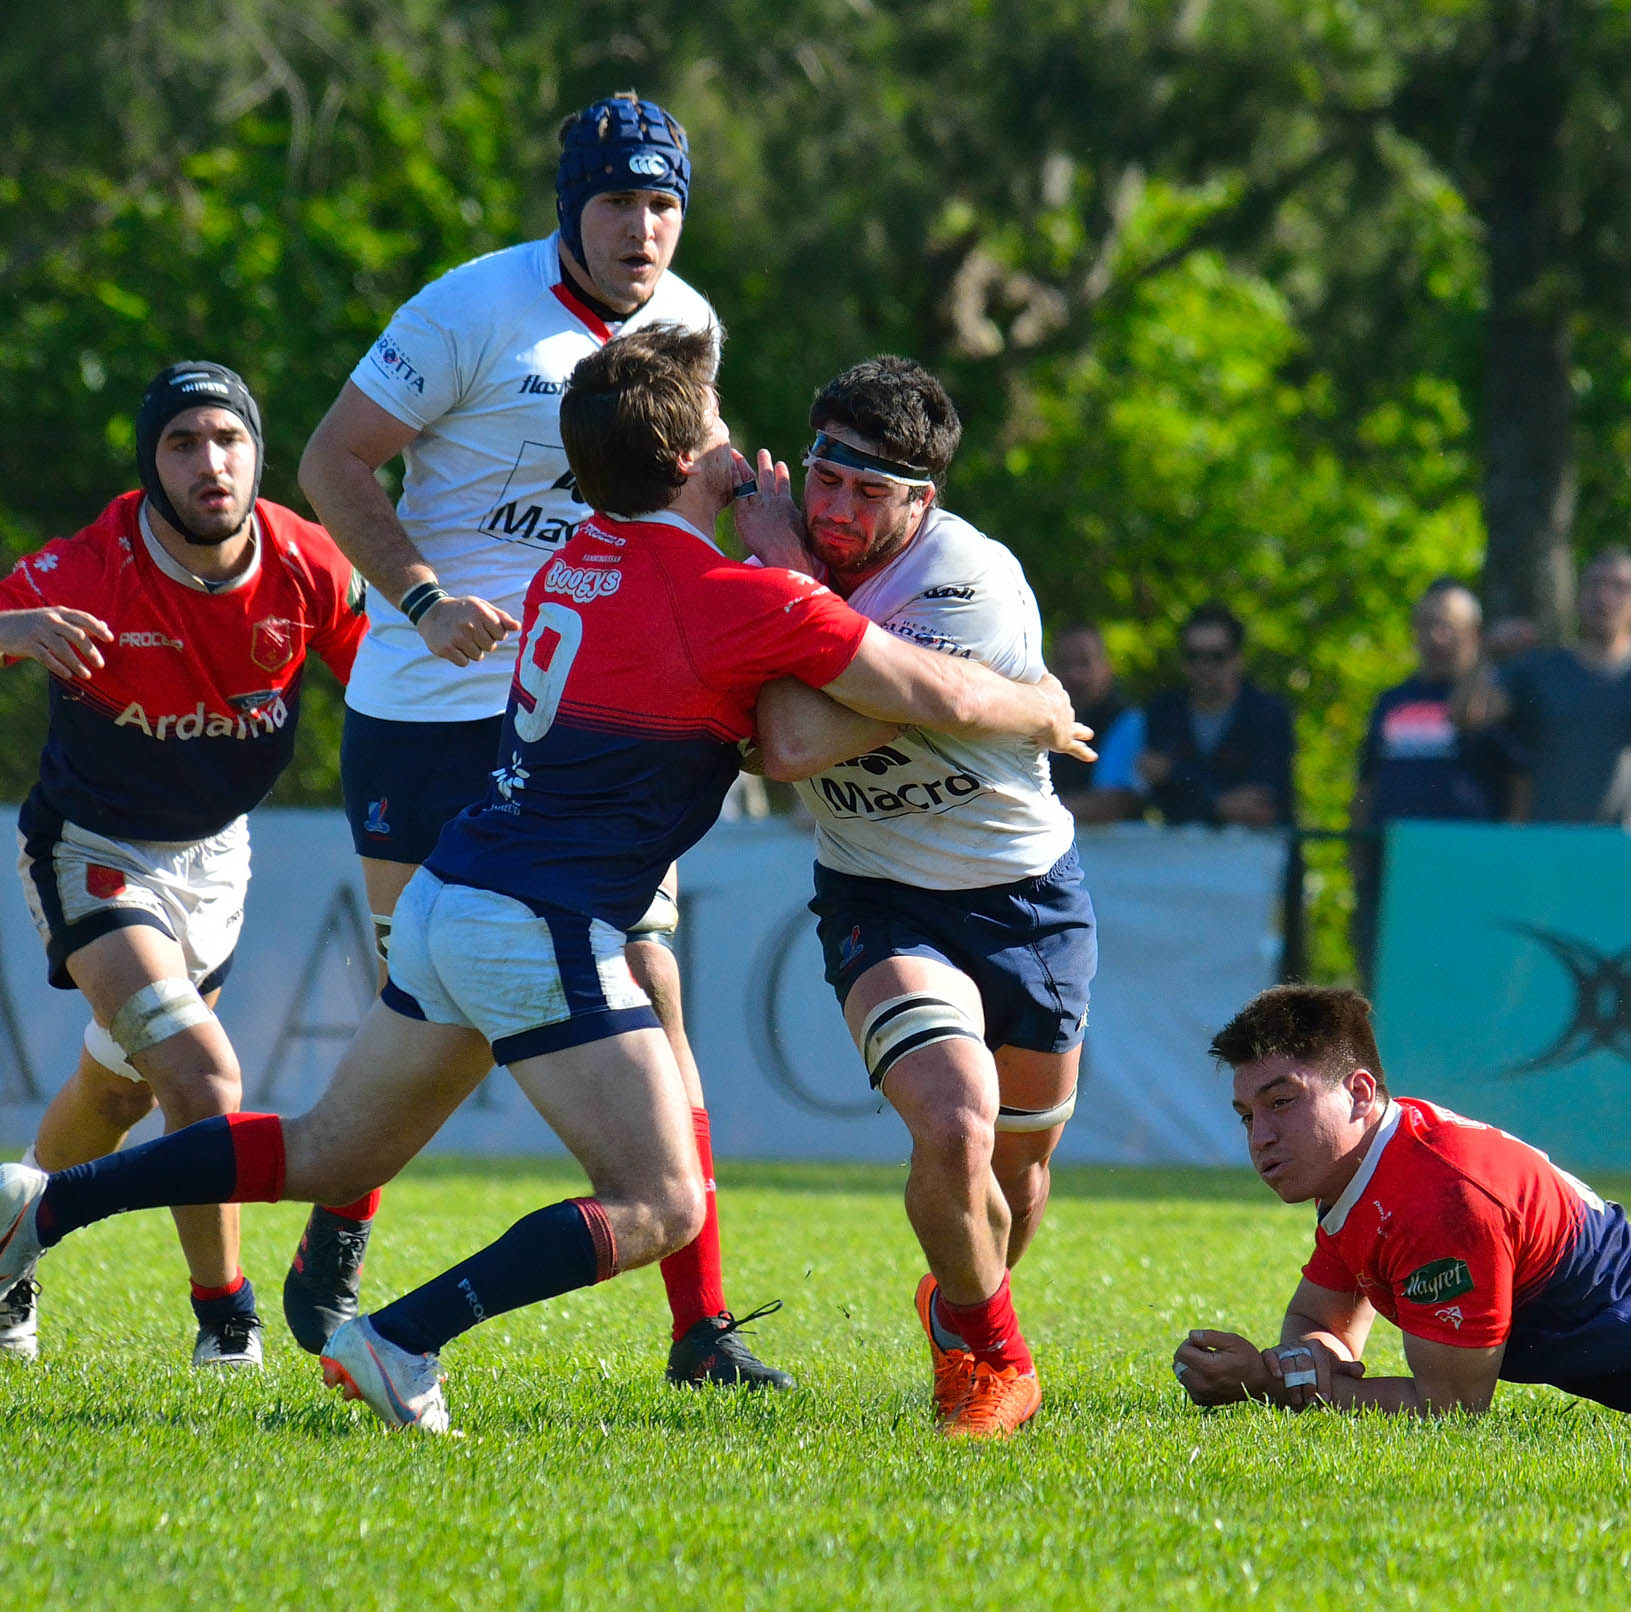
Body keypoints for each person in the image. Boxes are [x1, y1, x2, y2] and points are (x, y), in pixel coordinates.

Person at [0, 323, 1091, 1434]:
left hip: (451, 896)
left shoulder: (574, 557)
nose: (741, 446)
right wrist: (1043, 708)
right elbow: (936, 699)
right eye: (718, 426)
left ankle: (34, 1206)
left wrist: (763, 556)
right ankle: (400, 1338)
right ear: (683, 457)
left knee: (327, 1148)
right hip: (540, 920)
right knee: (661, 1202)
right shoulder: (739, 593)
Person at [292, 92, 772, 1388]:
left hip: (584, 712)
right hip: (426, 703)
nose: (643, 226)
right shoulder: (467, 310)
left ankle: (701, 1330)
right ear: (570, 209)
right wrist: (422, 598)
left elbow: (701, 464)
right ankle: (348, 1203)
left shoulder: (689, 326)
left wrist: (765, 513)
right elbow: (333, 463)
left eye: (664, 201)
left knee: (660, 990)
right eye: (618, 200)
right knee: (423, 1011)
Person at [734, 357, 1098, 1439]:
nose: (836, 513)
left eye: (867, 493)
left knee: (1019, 1173)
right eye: (821, 483)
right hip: (880, 894)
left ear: (921, 501)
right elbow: (785, 747)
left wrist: (784, 561)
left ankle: (956, 1303)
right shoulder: (780, 548)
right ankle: (990, 1361)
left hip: (1025, 897)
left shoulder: (964, 584)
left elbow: (796, 729)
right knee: (953, 1125)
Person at [0, 361, 366, 1366]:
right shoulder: (87, 566)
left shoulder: (309, 563)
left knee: (119, 1092)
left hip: (217, 859)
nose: (212, 462)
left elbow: (396, 686)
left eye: (229, 439)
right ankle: (226, 1314)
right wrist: (12, 628)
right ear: (151, 467)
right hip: (89, 852)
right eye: (182, 442)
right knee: (203, 1079)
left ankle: (7, 1239)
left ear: (258, 451)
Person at [1172, 985, 1631, 1422]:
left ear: (1360, 1094)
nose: (1261, 1137)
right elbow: (1320, 1324)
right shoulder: (1371, 1163)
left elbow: (1451, 1410)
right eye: (1247, 1115)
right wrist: (1291, 1373)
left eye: (1283, 1102)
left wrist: (1269, 1384)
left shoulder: (1436, 1199)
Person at [1452, 549, 1631, 828]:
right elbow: (1467, 717)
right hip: (1555, 843)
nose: (1604, 597)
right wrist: (1486, 653)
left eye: (1619, 587)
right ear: (1578, 596)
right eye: (1594, 585)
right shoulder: (1541, 668)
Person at [1348, 580, 1513, 978]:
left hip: (1469, 874)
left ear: (1474, 634)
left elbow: (1519, 781)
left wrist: (1511, 852)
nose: (1436, 637)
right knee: (1388, 983)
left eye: (1448, 626)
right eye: (1425, 625)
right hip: (1393, 873)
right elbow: (1368, 783)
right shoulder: (1391, 701)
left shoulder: (1496, 701)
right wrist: (1357, 855)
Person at [1089, 604, 1294, 829]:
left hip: (1260, 859)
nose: (1204, 667)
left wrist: (1175, 775)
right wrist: (1220, 803)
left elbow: (1263, 805)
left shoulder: (1267, 715)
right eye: (1193, 656)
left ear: (1238, 659)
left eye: (1217, 657)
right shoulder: (1163, 712)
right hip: (1184, 857)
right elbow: (1158, 800)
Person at [1045, 624, 1138, 823]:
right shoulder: (1035, 723)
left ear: (1107, 668)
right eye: (1064, 664)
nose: (1074, 674)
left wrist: (1025, 811)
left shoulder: (1127, 722)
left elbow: (1108, 805)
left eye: (1084, 663)